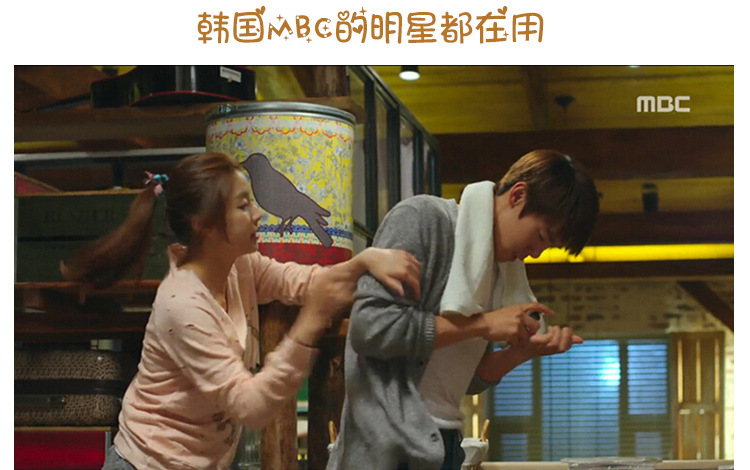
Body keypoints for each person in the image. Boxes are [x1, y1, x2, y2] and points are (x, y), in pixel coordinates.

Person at [60, 151, 421, 470]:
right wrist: (309, 323)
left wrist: (364, 262)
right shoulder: (183, 304)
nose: (259, 214)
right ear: (203, 223)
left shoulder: (240, 267)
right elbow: (249, 405)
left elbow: (304, 281)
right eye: (243, 205)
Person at [327, 149, 600, 470]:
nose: (537, 253)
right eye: (541, 236)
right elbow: (369, 328)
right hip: (386, 447)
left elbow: (460, 380)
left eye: (548, 246)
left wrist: (521, 353)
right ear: (517, 195)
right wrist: (482, 325)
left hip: (444, 445)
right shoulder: (424, 219)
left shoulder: (497, 270)